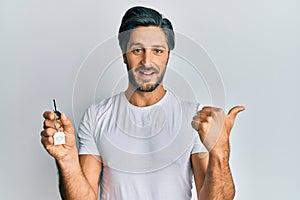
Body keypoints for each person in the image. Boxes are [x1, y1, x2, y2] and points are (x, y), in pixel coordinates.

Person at [41, 6, 245, 200]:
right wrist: (66, 160)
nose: (147, 62)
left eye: (157, 51)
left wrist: (220, 152)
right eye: (137, 50)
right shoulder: (96, 116)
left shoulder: (196, 118)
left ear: (168, 56)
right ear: (124, 56)